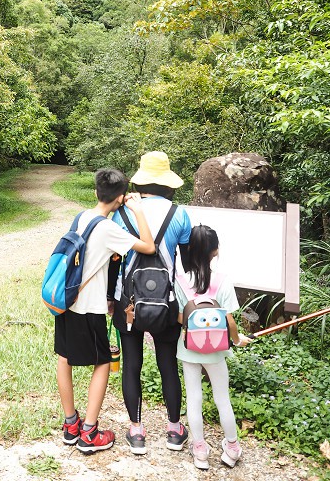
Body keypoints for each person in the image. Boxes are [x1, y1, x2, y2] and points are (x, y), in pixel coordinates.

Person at [55, 167, 156, 454]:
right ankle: (89, 433)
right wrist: (137, 210)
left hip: (66, 301)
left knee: (64, 359)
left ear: (95, 192)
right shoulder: (109, 229)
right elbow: (148, 247)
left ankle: (70, 425)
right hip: (90, 308)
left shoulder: (81, 217)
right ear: (121, 197)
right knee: (102, 362)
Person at [111, 151, 192, 455]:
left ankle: (136, 431)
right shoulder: (180, 214)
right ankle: (173, 430)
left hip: (128, 301)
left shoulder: (122, 213)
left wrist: (111, 298)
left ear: (142, 180)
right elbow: (183, 266)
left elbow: (113, 262)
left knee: (132, 364)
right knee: (167, 363)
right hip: (167, 303)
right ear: (168, 182)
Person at [175, 224, 251, 469]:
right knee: (222, 398)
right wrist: (237, 339)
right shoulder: (222, 281)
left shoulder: (182, 281)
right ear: (215, 251)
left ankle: (199, 451)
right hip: (216, 349)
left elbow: (180, 318)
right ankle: (231, 448)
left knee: (193, 398)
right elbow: (228, 320)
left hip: (189, 348)